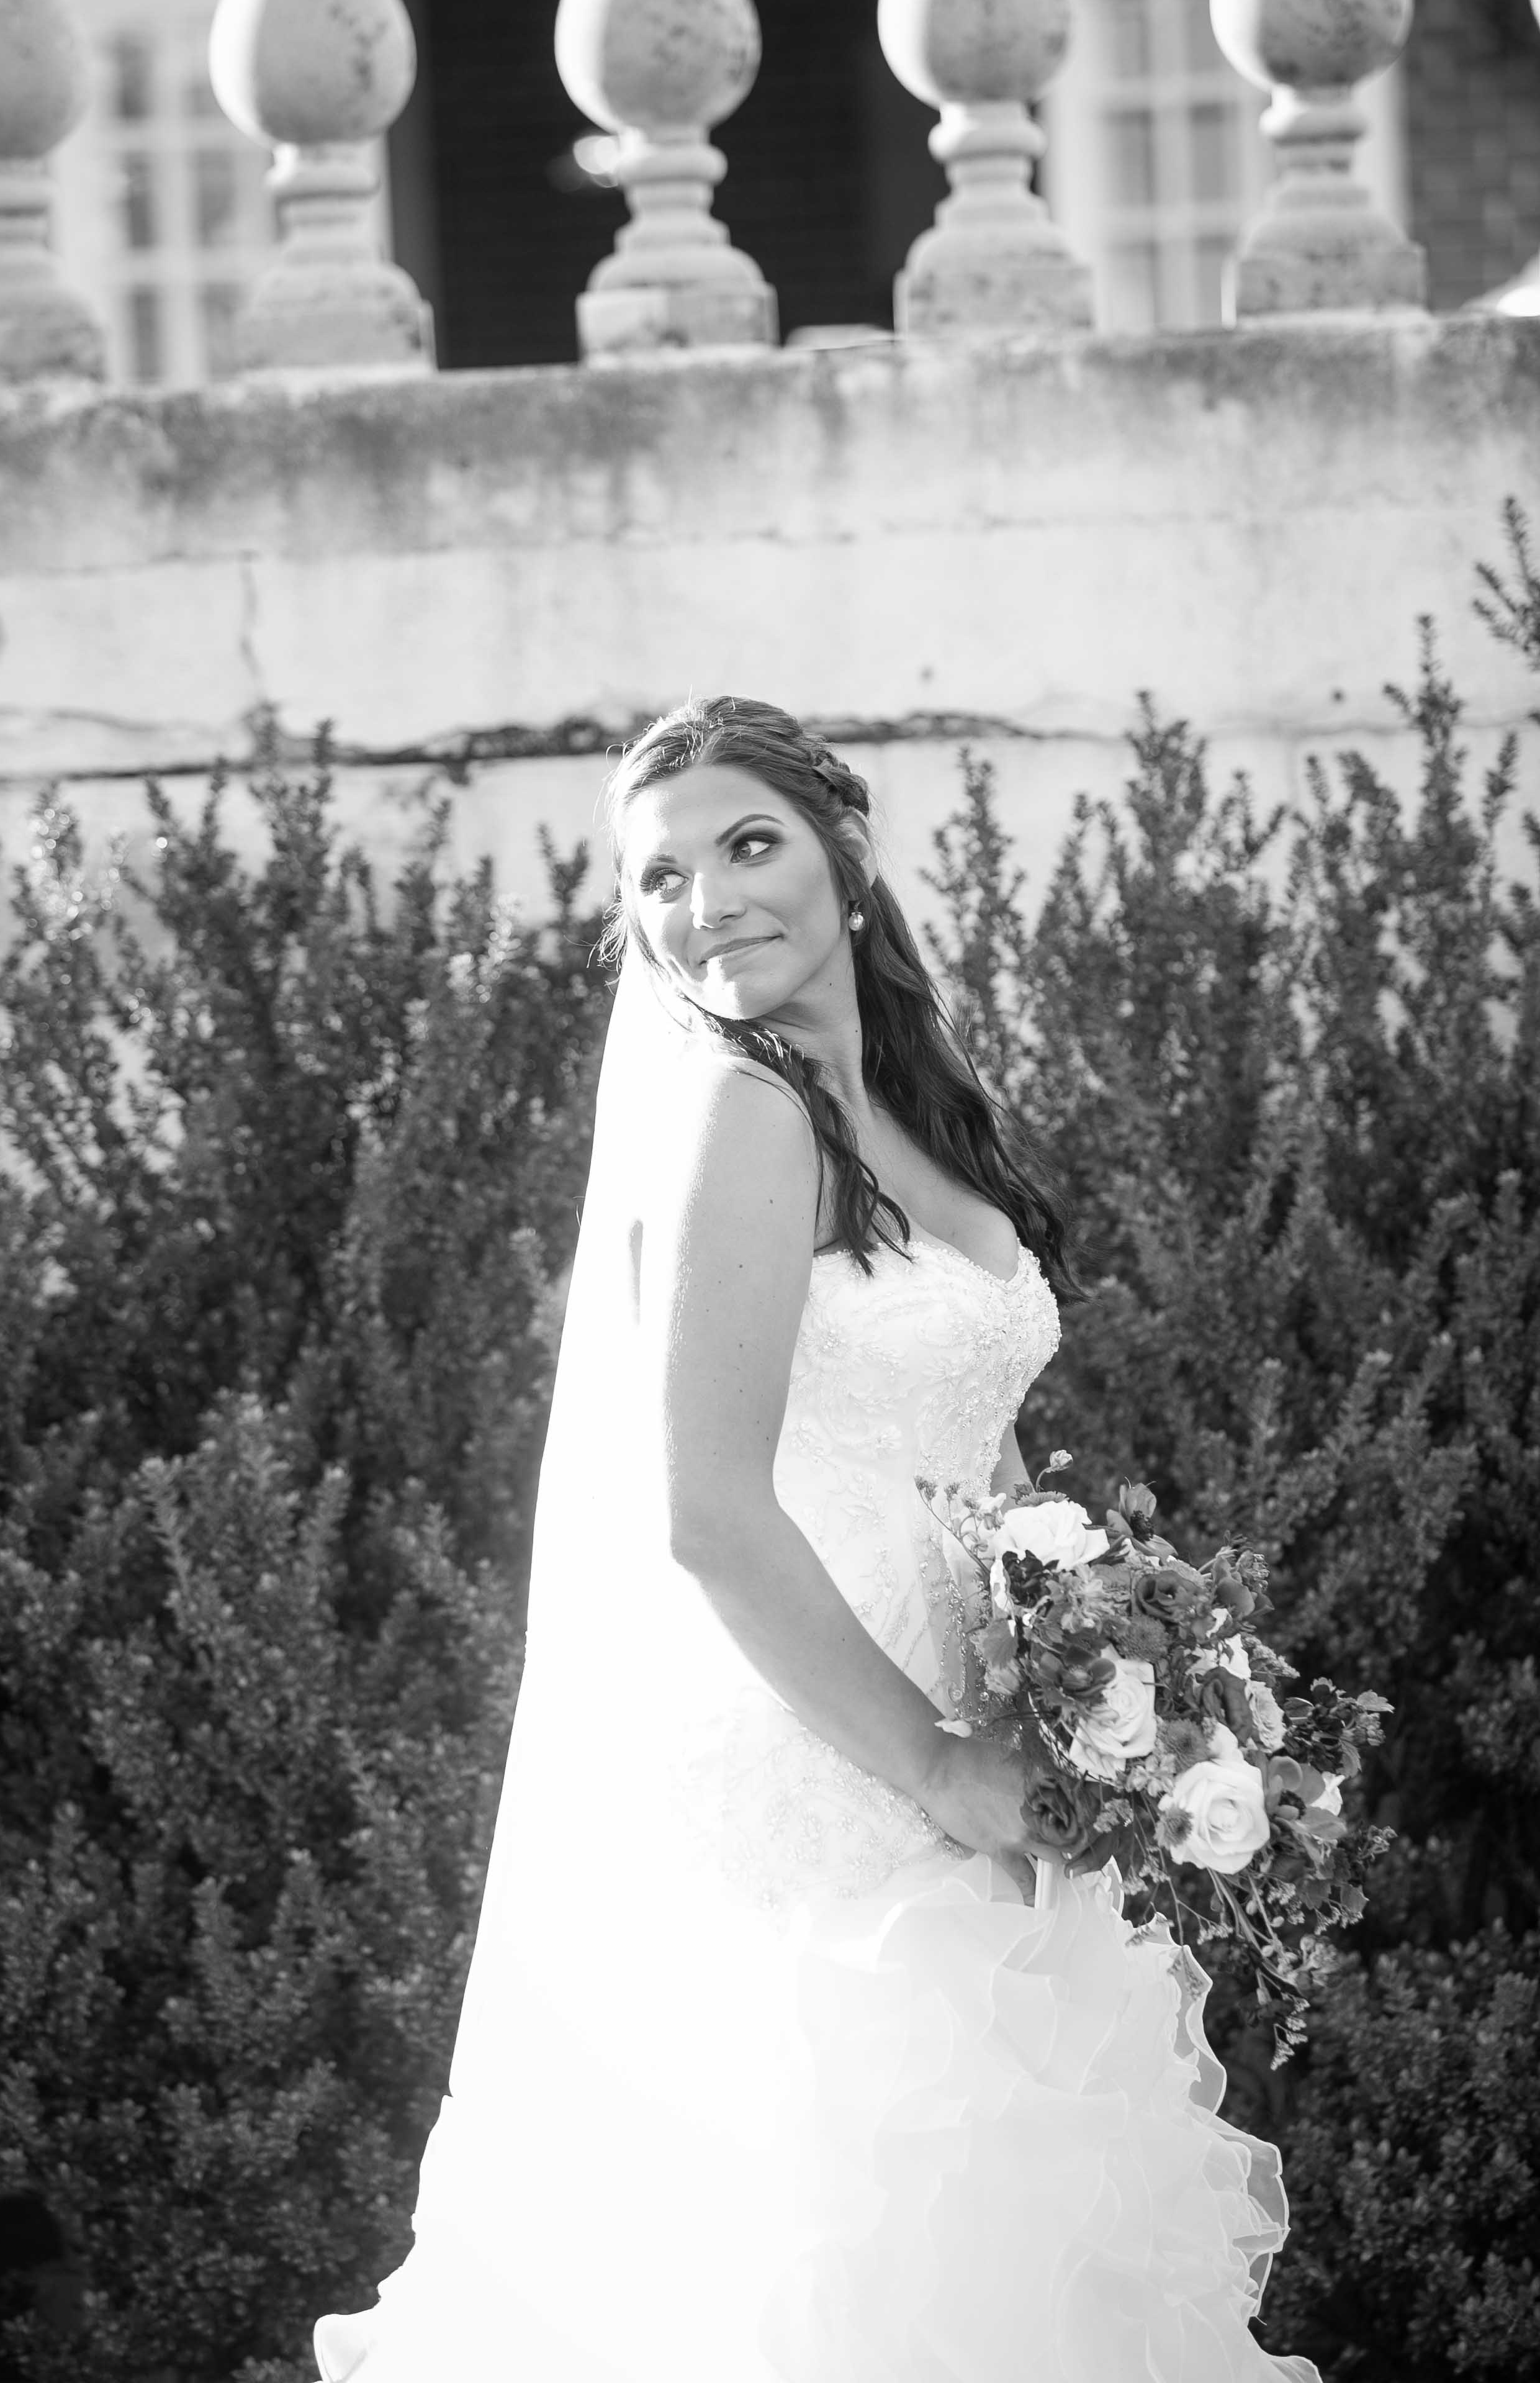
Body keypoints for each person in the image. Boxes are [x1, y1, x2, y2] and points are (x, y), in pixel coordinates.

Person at [315, 697, 1317, 2383]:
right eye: (659, 878)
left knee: (999, 2252)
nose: (707, 901)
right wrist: (934, 1764)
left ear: (846, 855)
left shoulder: (913, 1111)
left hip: (963, 1707)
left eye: (747, 844)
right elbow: (704, 1515)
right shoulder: (746, 1112)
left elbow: (974, 1445)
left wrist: (1117, 1667)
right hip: (823, 1751)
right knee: (853, 2245)